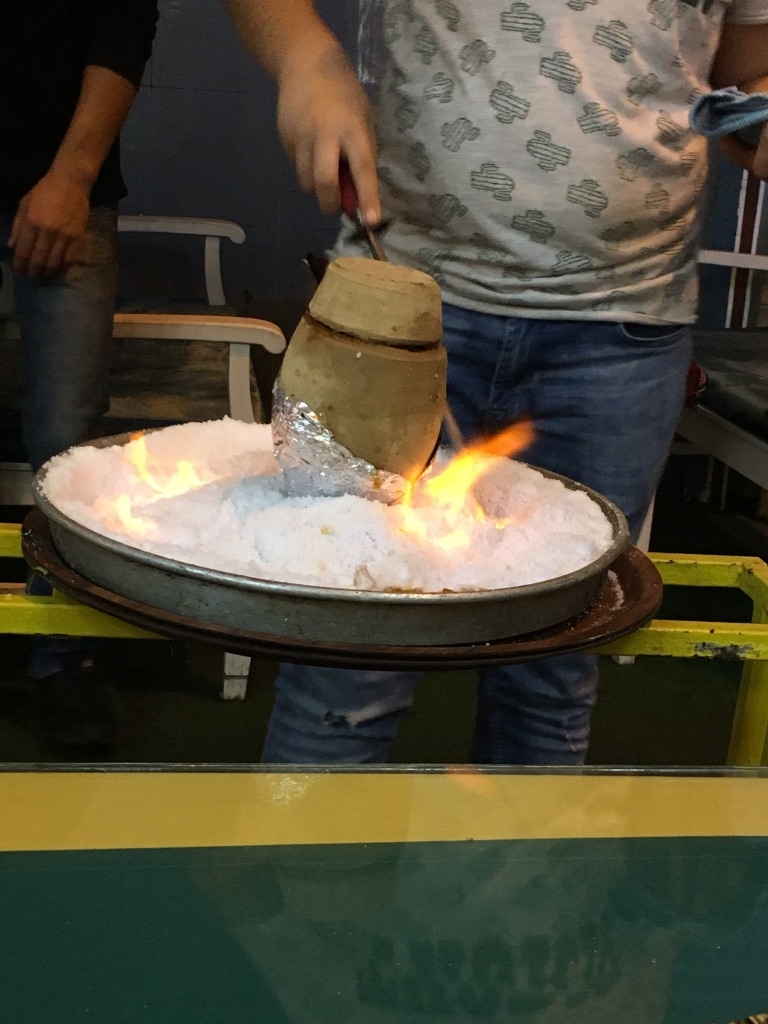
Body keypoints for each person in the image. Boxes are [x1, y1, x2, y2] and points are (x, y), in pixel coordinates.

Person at [227, 0, 768, 764]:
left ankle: (514, 886)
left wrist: (756, 114)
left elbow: (742, 66)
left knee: (551, 674)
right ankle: (309, 879)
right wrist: (305, 56)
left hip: (622, 327)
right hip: (400, 302)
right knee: (345, 667)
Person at [1, 2, 159, 745]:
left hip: (66, 189)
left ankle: (65, 662)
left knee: (67, 446)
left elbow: (121, 24)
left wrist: (71, 177)